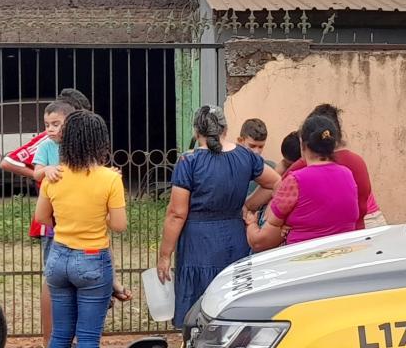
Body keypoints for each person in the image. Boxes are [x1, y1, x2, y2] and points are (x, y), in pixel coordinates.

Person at [33, 110, 127, 348]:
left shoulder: (53, 176)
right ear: (100, 142)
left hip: (58, 257)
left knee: (61, 334)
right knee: (87, 338)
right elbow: (119, 225)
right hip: (92, 259)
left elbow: (43, 218)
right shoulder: (110, 179)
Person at [156, 107, 279, 326]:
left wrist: (165, 254)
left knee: (197, 308)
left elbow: (177, 213)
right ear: (226, 129)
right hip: (235, 238)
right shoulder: (246, 157)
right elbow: (276, 183)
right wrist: (248, 205)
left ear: (196, 131)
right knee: (232, 303)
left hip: (198, 243)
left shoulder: (189, 162)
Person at [248, 115, 360, 252]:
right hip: (342, 258)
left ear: (302, 144)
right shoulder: (347, 175)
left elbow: (261, 242)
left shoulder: (295, 181)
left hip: (303, 262)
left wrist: (251, 223)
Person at [280, 104, 385, 229]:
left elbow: (279, 198)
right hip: (370, 224)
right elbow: (361, 210)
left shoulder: (302, 167)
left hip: (341, 233)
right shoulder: (357, 162)